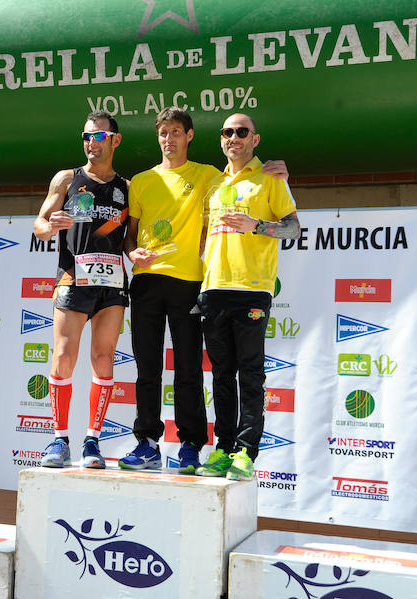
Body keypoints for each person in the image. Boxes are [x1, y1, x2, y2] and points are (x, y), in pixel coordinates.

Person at [119, 107, 287, 474]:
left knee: (190, 371)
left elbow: (255, 183)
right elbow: (129, 233)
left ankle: (191, 445)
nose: (169, 139)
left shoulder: (211, 175)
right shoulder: (142, 180)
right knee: (148, 368)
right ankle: (147, 443)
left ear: (190, 136)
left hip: (192, 284)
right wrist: (131, 252)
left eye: (176, 131)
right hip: (147, 281)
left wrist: (280, 171)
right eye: (164, 132)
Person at [195, 113, 300, 481]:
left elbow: (294, 229)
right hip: (213, 288)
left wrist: (257, 226)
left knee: (250, 373)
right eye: (227, 132)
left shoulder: (270, 178)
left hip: (252, 288)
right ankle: (223, 448)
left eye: (241, 132)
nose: (233, 137)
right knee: (222, 375)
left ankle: (246, 452)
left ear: (255, 139)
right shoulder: (213, 183)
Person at [34, 110, 129, 469]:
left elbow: (130, 239)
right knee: (63, 356)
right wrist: (49, 225)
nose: (92, 142)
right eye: (87, 136)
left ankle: (93, 440)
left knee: (103, 359)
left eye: (99, 136)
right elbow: (40, 224)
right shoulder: (67, 179)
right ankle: (59, 440)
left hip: (112, 284)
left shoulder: (126, 187)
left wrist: (139, 254)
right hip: (74, 277)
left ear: (115, 140)